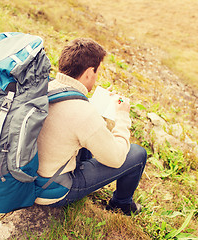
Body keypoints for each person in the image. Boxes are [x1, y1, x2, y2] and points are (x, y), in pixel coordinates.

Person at [36, 38, 147, 215]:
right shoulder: (84, 113)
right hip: (51, 190)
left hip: (27, 178)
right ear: (89, 72)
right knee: (137, 154)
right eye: (97, 73)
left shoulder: (45, 86)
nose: (96, 78)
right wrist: (123, 116)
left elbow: (67, 117)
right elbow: (116, 158)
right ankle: (121, 204)